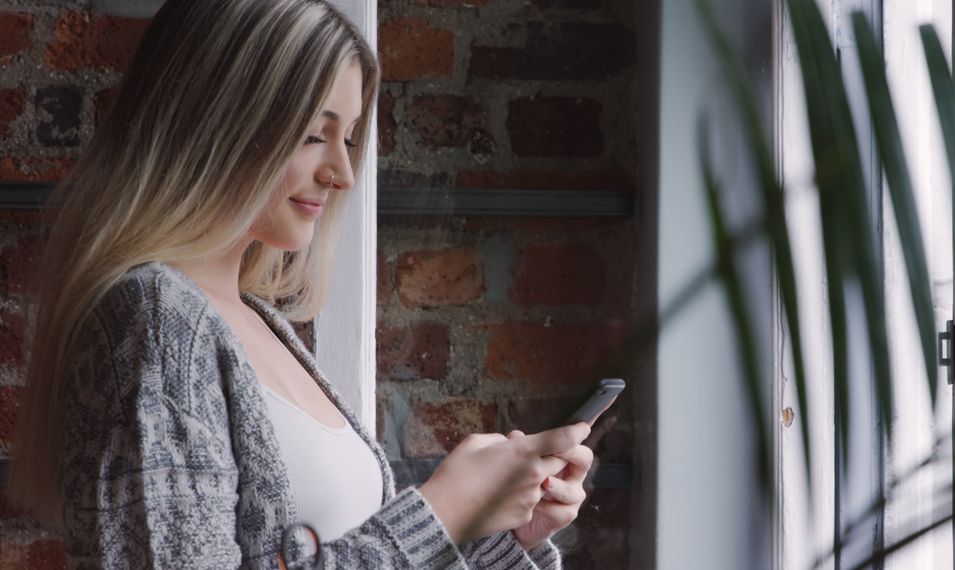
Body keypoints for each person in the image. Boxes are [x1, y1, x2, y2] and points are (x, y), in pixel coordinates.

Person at [7, 0, 593, 567]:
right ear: (215, 123)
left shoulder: (259, 322)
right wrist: (441, 514)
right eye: (315, 134)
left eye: (349, 137)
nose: (341, 173)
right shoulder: (156, 319)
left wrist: (493, 537)